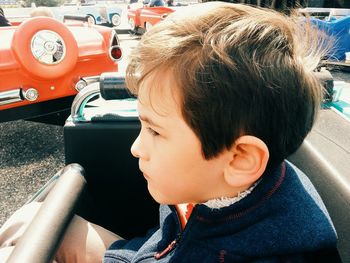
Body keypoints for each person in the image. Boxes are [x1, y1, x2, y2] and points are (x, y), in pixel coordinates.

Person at [0, 2, 341, 262]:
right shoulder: (211, 183)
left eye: (155, 132)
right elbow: (166, 242)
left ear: (240, 158)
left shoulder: (268, 250)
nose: (136, 148)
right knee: (30, 222)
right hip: (153, 251)